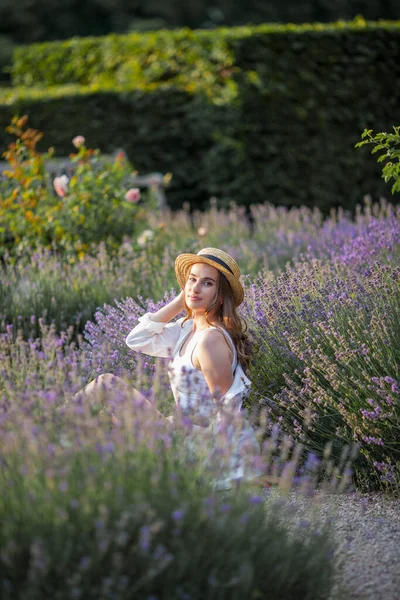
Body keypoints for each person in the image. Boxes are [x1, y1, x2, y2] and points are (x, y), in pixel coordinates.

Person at [76, 247, 265, 489]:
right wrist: (180, 301)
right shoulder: (187, 329)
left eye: (207, 283)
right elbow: (136, 340)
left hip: (206, 447)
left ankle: (39, 434)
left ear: (220, 296)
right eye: (192, 280)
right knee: (106, 422)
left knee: (106, 385)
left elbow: (228, 412)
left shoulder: (210, 340)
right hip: (182, 434)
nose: (195, 288)